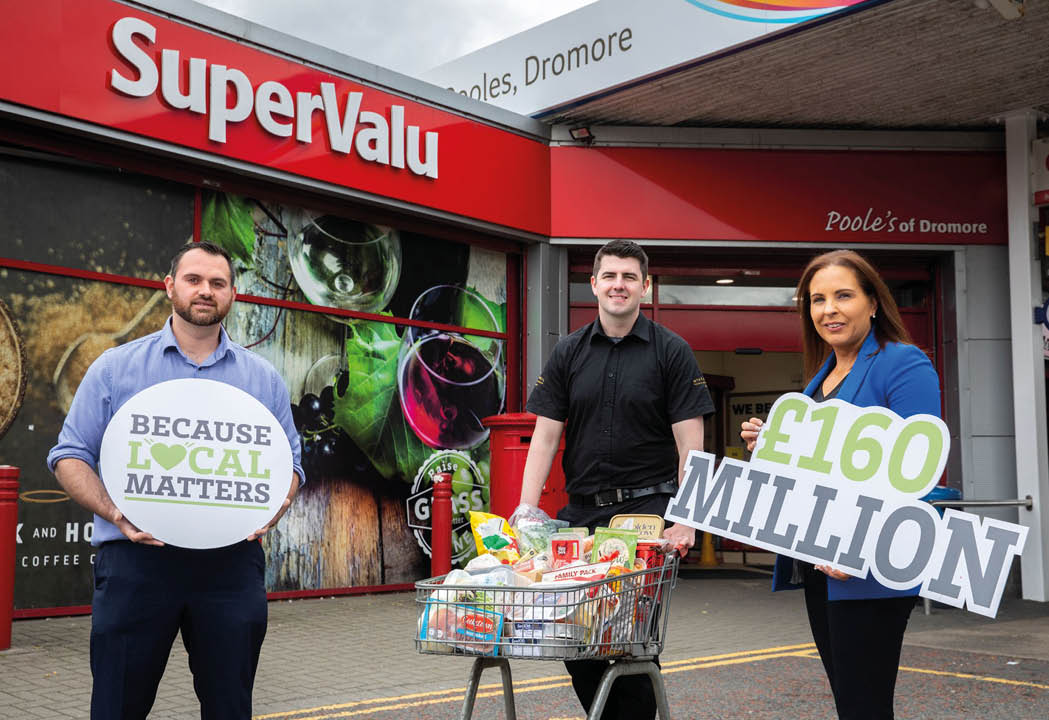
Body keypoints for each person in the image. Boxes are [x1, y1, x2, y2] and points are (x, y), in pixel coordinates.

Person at [47, 241, 303, 720]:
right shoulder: (114, 367)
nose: (205, 291)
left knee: (229, 707)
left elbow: (292, 464)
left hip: (229, 566)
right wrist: (117, 513)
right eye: (194, 280)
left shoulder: (262, 379)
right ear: (169, 287)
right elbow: (69, 455)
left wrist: (276, 504)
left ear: (231, 295)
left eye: (217, 283)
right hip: (136, 563)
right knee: (117, 706)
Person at [519, 239, 715, 720]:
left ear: (645, 286)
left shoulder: (672, 352)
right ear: (594, 285)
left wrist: (687, 520)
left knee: (629, 640)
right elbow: (543, 439)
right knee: (573, 634)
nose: (619, 285)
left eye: (629, 277)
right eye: (610, 276)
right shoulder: (568, 352)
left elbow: (693, 445)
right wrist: (525, 510)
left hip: (645, 514)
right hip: (579, 516)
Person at [740, 249, 940, 720]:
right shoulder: (819, 380)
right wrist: (769, 446)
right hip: (819, 562)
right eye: (817, 299)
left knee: (864, 706)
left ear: (873, 303)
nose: (829, 309)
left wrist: (859, 545)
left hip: (871, 566)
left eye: (843, 295)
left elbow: (919, 468)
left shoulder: (901, 362)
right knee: (852, 704)